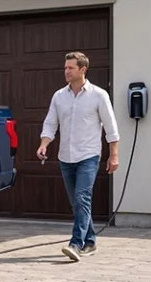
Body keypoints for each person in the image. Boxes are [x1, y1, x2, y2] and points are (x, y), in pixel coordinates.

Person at [37, 51, 120, 262]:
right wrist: (44, 144)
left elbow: (111, 127)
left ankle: (75, 244)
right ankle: (90, 241)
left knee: (82, 197)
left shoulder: (99, 95)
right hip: (66, 157)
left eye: (70, 68)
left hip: (88, 156)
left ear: (83, 69)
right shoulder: (59, 96)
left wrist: (113, 156)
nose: (66, 71)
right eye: (65, 67)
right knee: (76, 202)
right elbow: (50, 123)